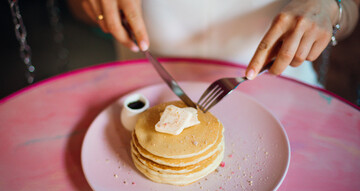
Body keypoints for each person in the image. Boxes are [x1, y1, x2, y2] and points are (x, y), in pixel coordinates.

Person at [67, 0, 359, 86]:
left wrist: (330, 7)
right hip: (138, 94)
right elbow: (78, 11)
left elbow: (350, 11)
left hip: (283, 90)